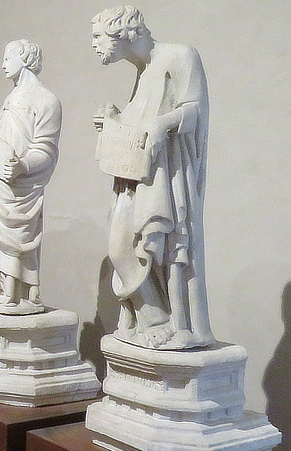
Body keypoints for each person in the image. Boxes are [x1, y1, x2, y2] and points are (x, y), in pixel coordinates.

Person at [92, 5, 214, 349]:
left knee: (166, 249)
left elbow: (194, 109)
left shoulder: (179, 56)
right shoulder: (143, 69)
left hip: (165, 175)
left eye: (98, 36)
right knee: (122, 247)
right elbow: (141, 121)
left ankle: (180, 327)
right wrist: (114, 119)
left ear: (121, 32)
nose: (94, 45)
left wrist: (162, 124)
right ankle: (153, 318)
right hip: (135, 174)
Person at [0, 39, 60, 313]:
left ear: (25, 59)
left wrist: (22, 166)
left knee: (15, 239)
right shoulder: (10, 98)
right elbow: (2, 144)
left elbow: (46, 150)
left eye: (7, 58)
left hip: (20, 189)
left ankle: (15, 293)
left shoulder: (46, 100)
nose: (2, 64)